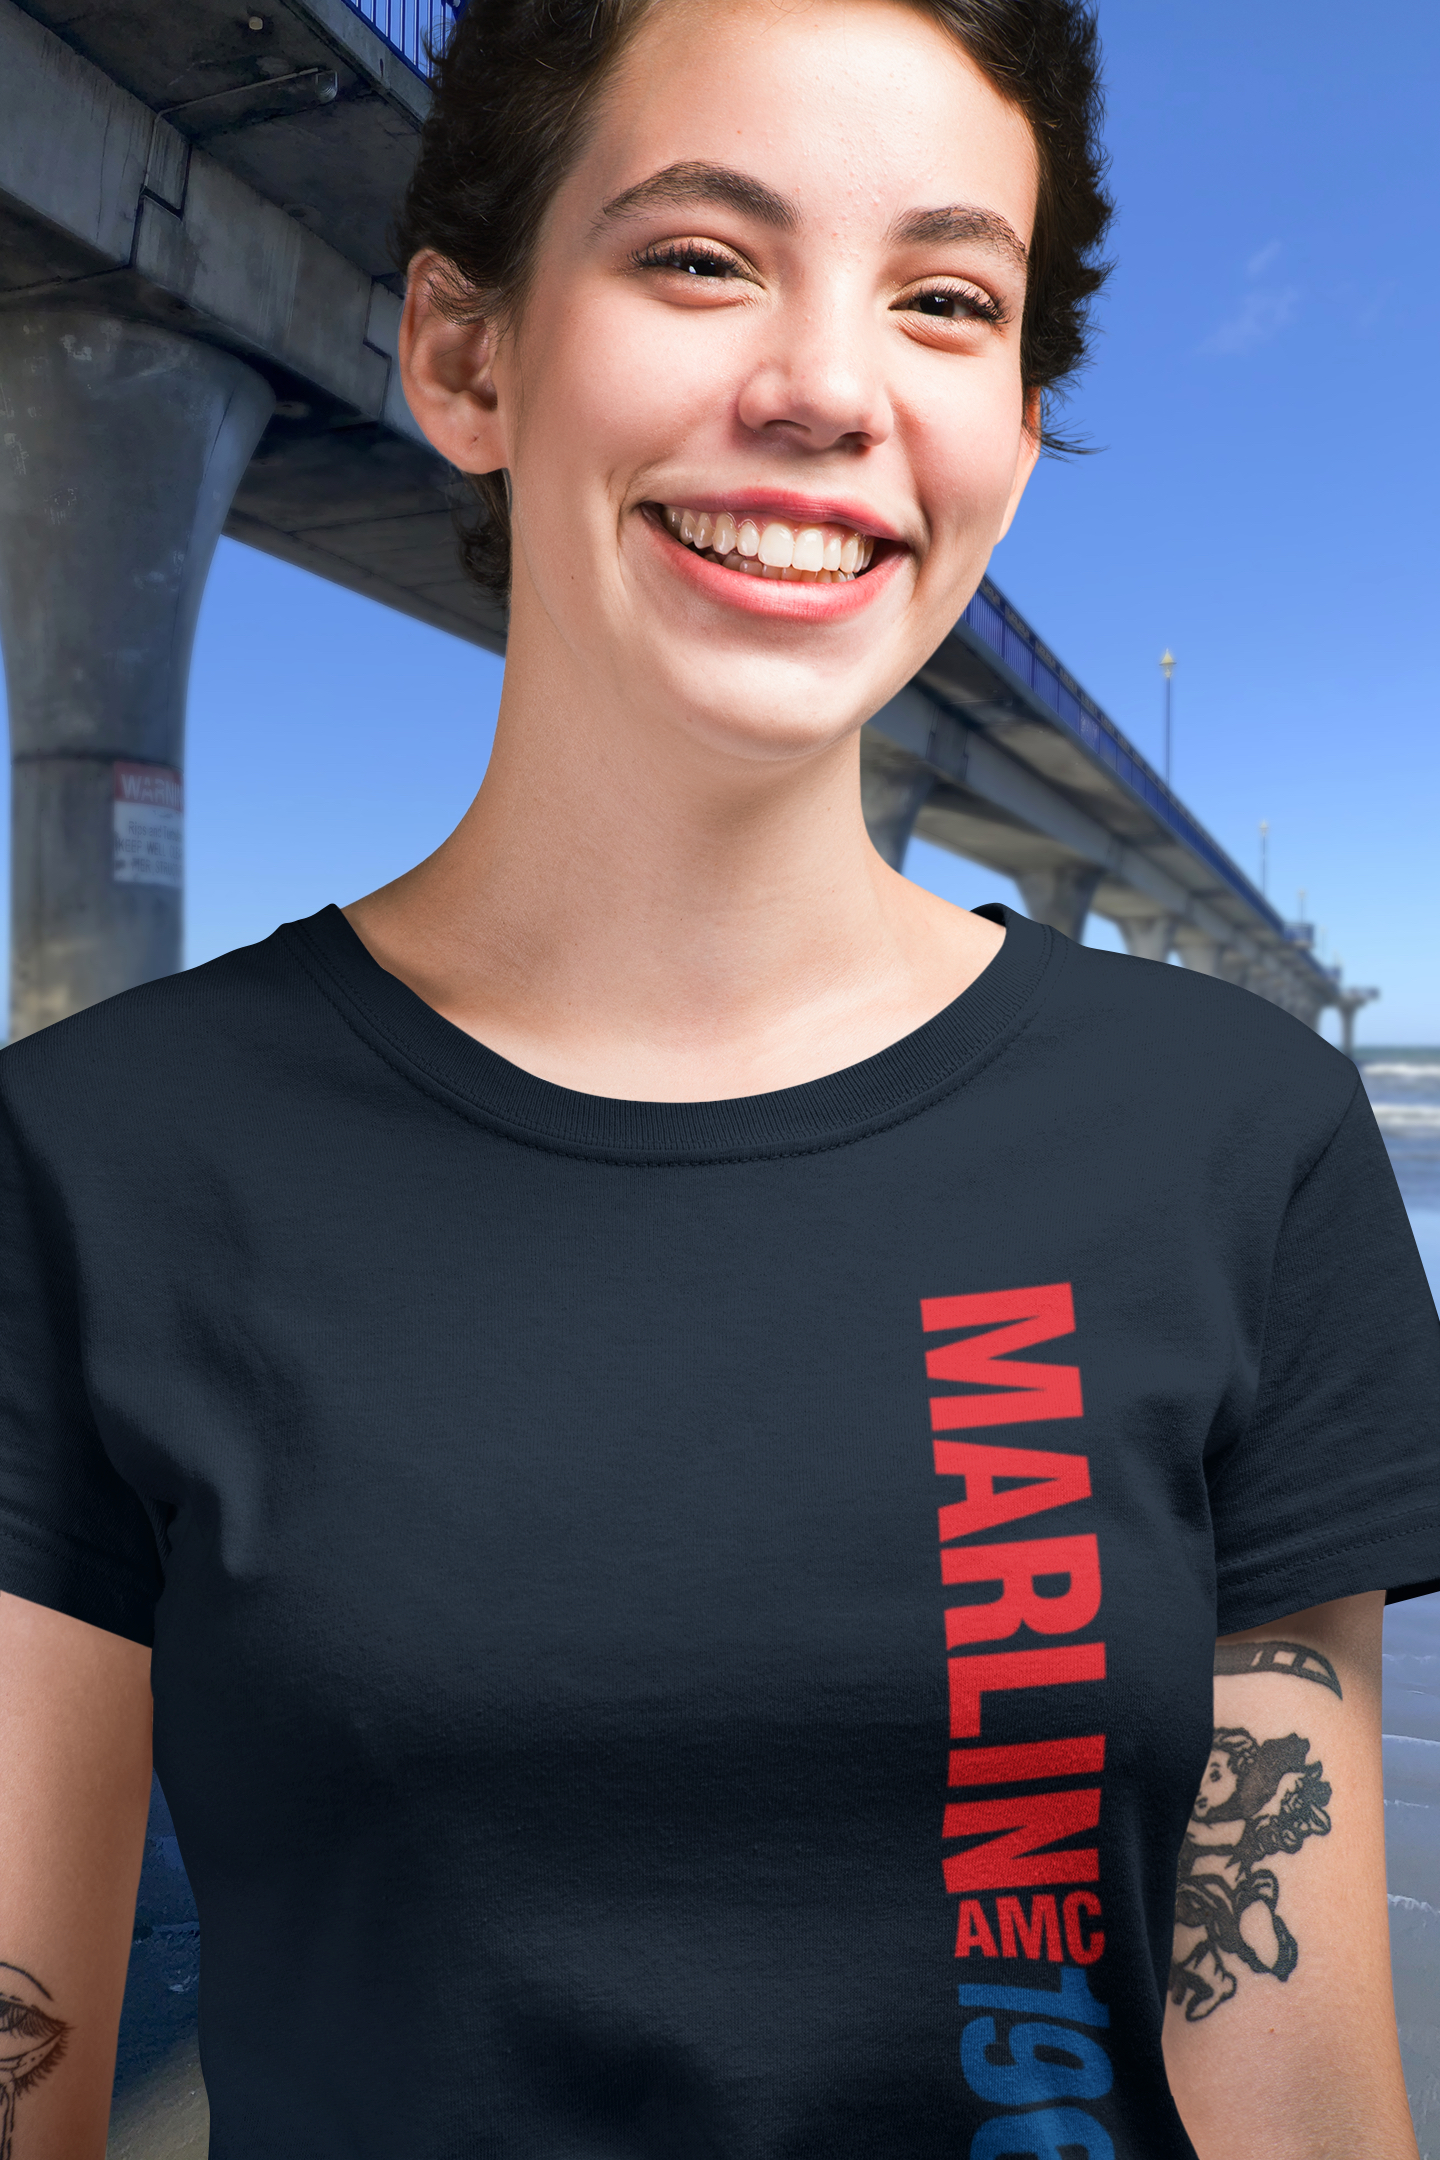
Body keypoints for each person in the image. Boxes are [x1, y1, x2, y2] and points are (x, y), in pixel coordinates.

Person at [0, 0, 1435, 2154]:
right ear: (466, 357)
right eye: (699, 257)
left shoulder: (1236, 1144)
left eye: (945, 300)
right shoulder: (98, 1167)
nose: (830, 391)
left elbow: (1295, 2086)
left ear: (1017, 433)